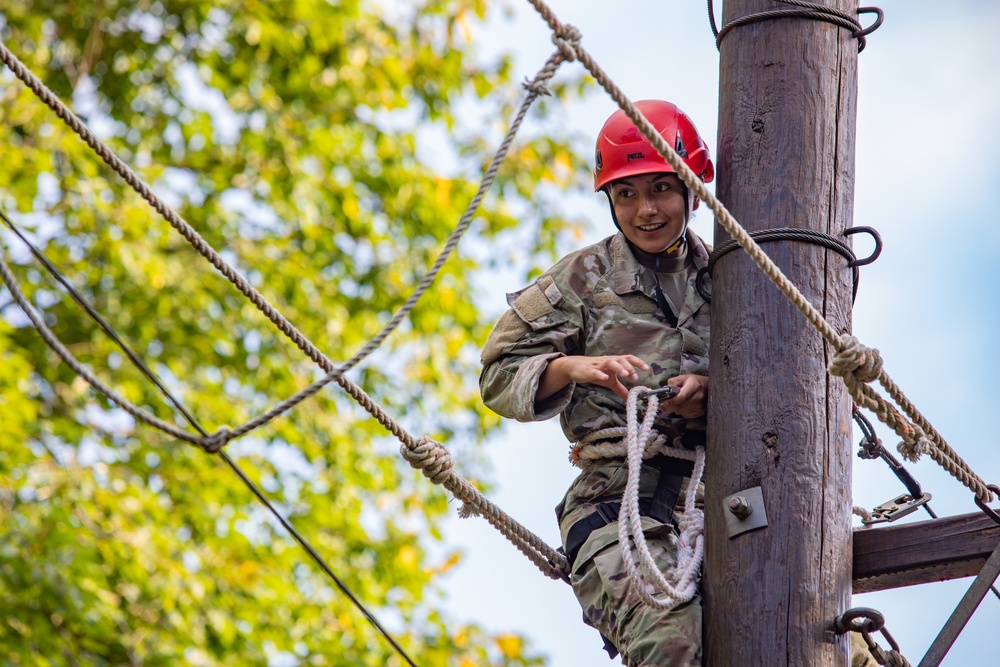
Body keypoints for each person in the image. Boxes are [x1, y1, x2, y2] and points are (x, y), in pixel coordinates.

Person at [480, 99, 713, 666]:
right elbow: (497, 373)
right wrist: (572, 367)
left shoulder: (736, 278)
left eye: (661, 188)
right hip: (616, 502)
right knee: (671, 640)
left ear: (691, 187)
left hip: (725, 500)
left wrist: (712, 393)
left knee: (829, 642)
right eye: (626, 194)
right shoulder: (584, 277)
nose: (646, 210)